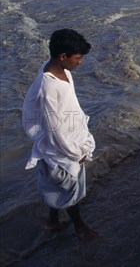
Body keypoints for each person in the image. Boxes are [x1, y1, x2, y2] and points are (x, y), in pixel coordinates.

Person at [22, 28, 99, 241]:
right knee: (69, 188)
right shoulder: (49, 86)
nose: (80, 62)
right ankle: (79, 227)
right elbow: (54, 129)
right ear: (62, 56)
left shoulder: (60, 71)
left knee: (55, 185)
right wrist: (76, 153)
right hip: (61, 148)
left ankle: (52, 221)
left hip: (65, 141)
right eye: (78, 57)